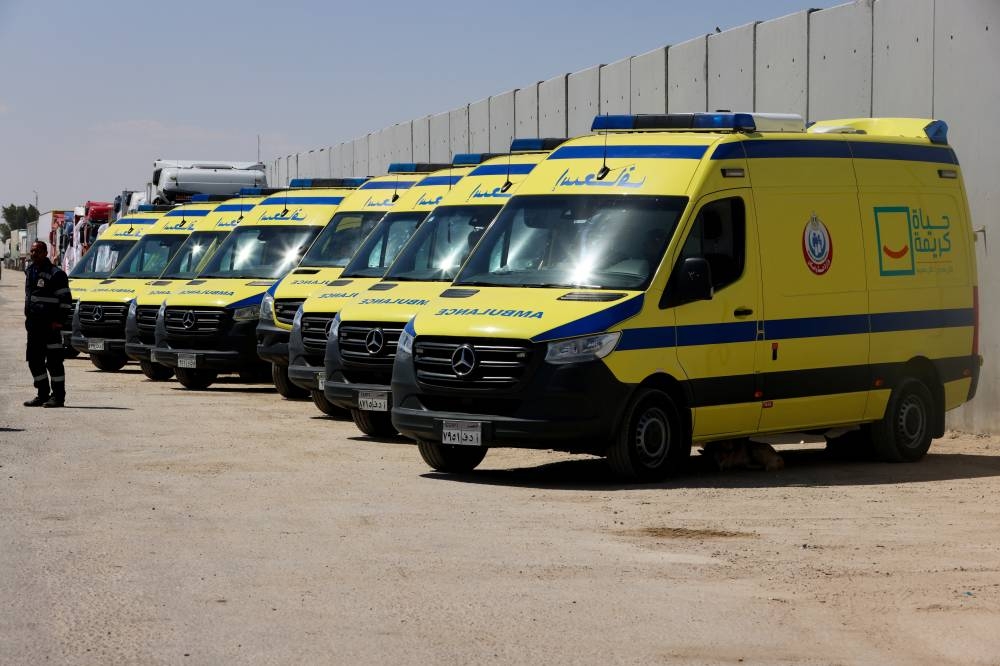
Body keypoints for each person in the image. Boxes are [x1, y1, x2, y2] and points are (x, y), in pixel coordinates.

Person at [24, 241, 73, 407]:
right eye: (31, 251)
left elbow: (66, 301)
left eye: (37, 251)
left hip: (50, 327)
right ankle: (42, 394)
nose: (33, 253)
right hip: (34, 327)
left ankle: (58, 397)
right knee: (34, 360)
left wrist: (59, 321)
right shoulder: (30, 271)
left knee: (54, 363)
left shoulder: (56, 274)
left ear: (45, 253)